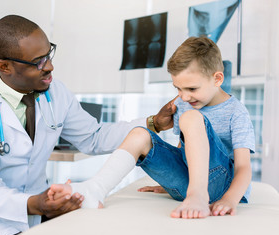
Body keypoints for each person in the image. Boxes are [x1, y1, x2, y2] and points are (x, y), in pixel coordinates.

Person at [0, 15, 176, 235]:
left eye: (49, 54)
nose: (50, 66)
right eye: (38, 62)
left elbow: (94, 137)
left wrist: (154, 123)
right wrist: (35, 204)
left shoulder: (55, 93)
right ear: (4, 66)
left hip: (38, 204)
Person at [48, 36, 255, 219]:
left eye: (192, 88)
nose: (183, 96)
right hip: (189, 183)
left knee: (192, 118)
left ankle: (197, 194)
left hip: (221, 187)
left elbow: (244, 167)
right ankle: (95, 189)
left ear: (217, 79)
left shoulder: (236, 112)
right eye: (178, 88)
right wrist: (170, 179)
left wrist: (230, 199)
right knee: (140, 134)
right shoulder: (186, 102)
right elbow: (185, 153)